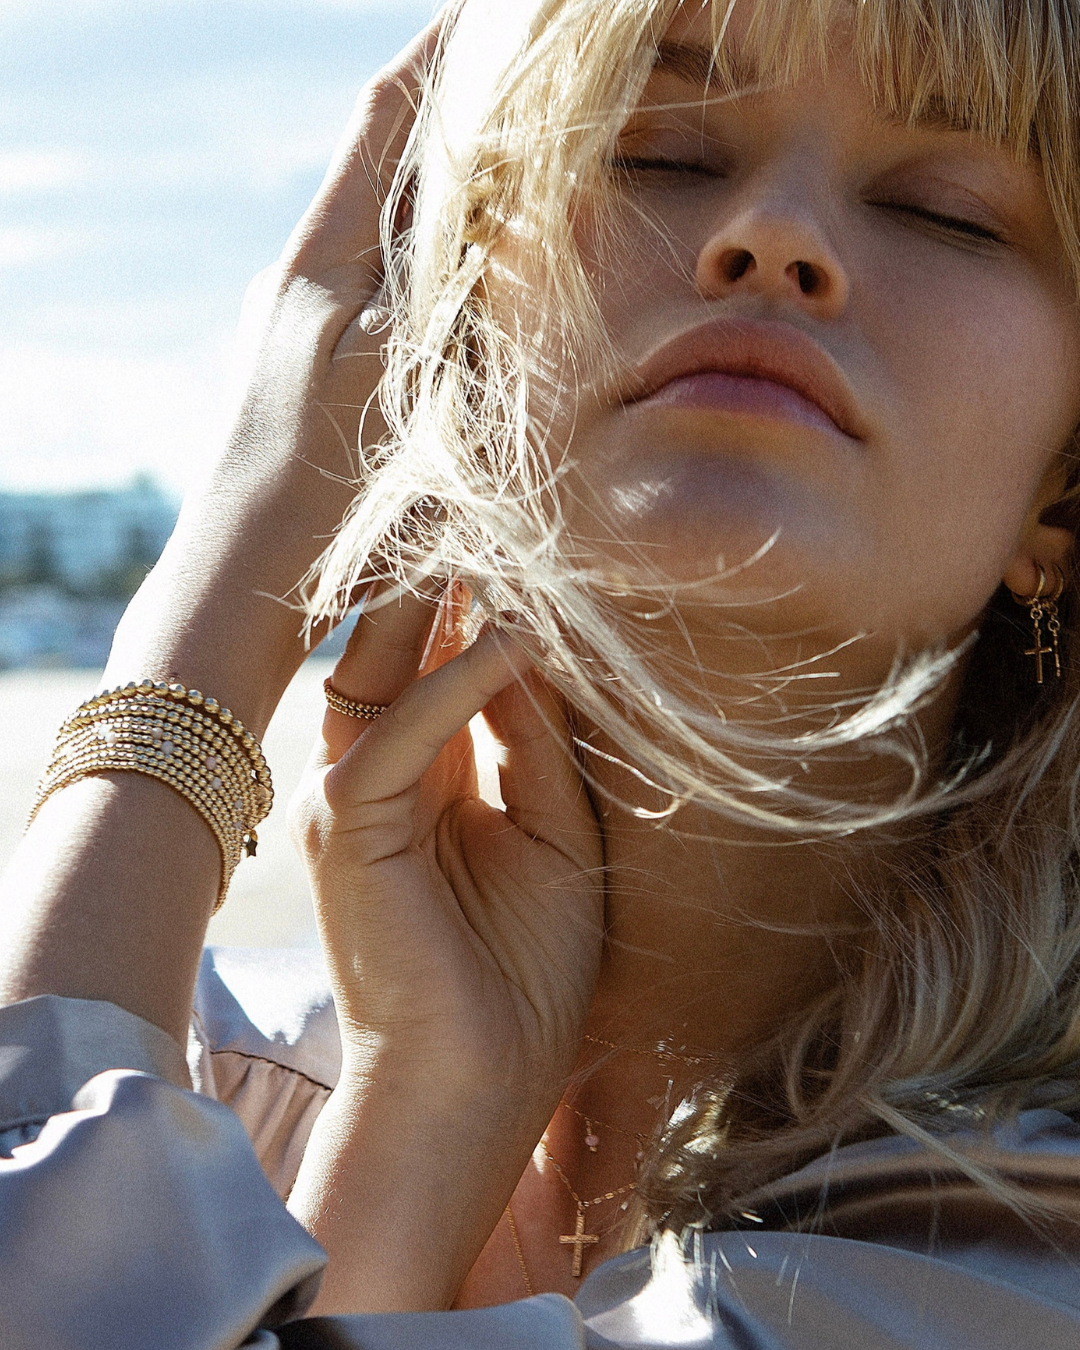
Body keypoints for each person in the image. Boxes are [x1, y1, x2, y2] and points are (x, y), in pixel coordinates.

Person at [4, 0, 1080, 1344]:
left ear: (1062, 497)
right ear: (444, 322)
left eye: (945, 208)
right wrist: (414, 1134)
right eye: (661, 153)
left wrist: (208, 620)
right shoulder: (219, 1057)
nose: (775, 237)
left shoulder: (1005, 1236)